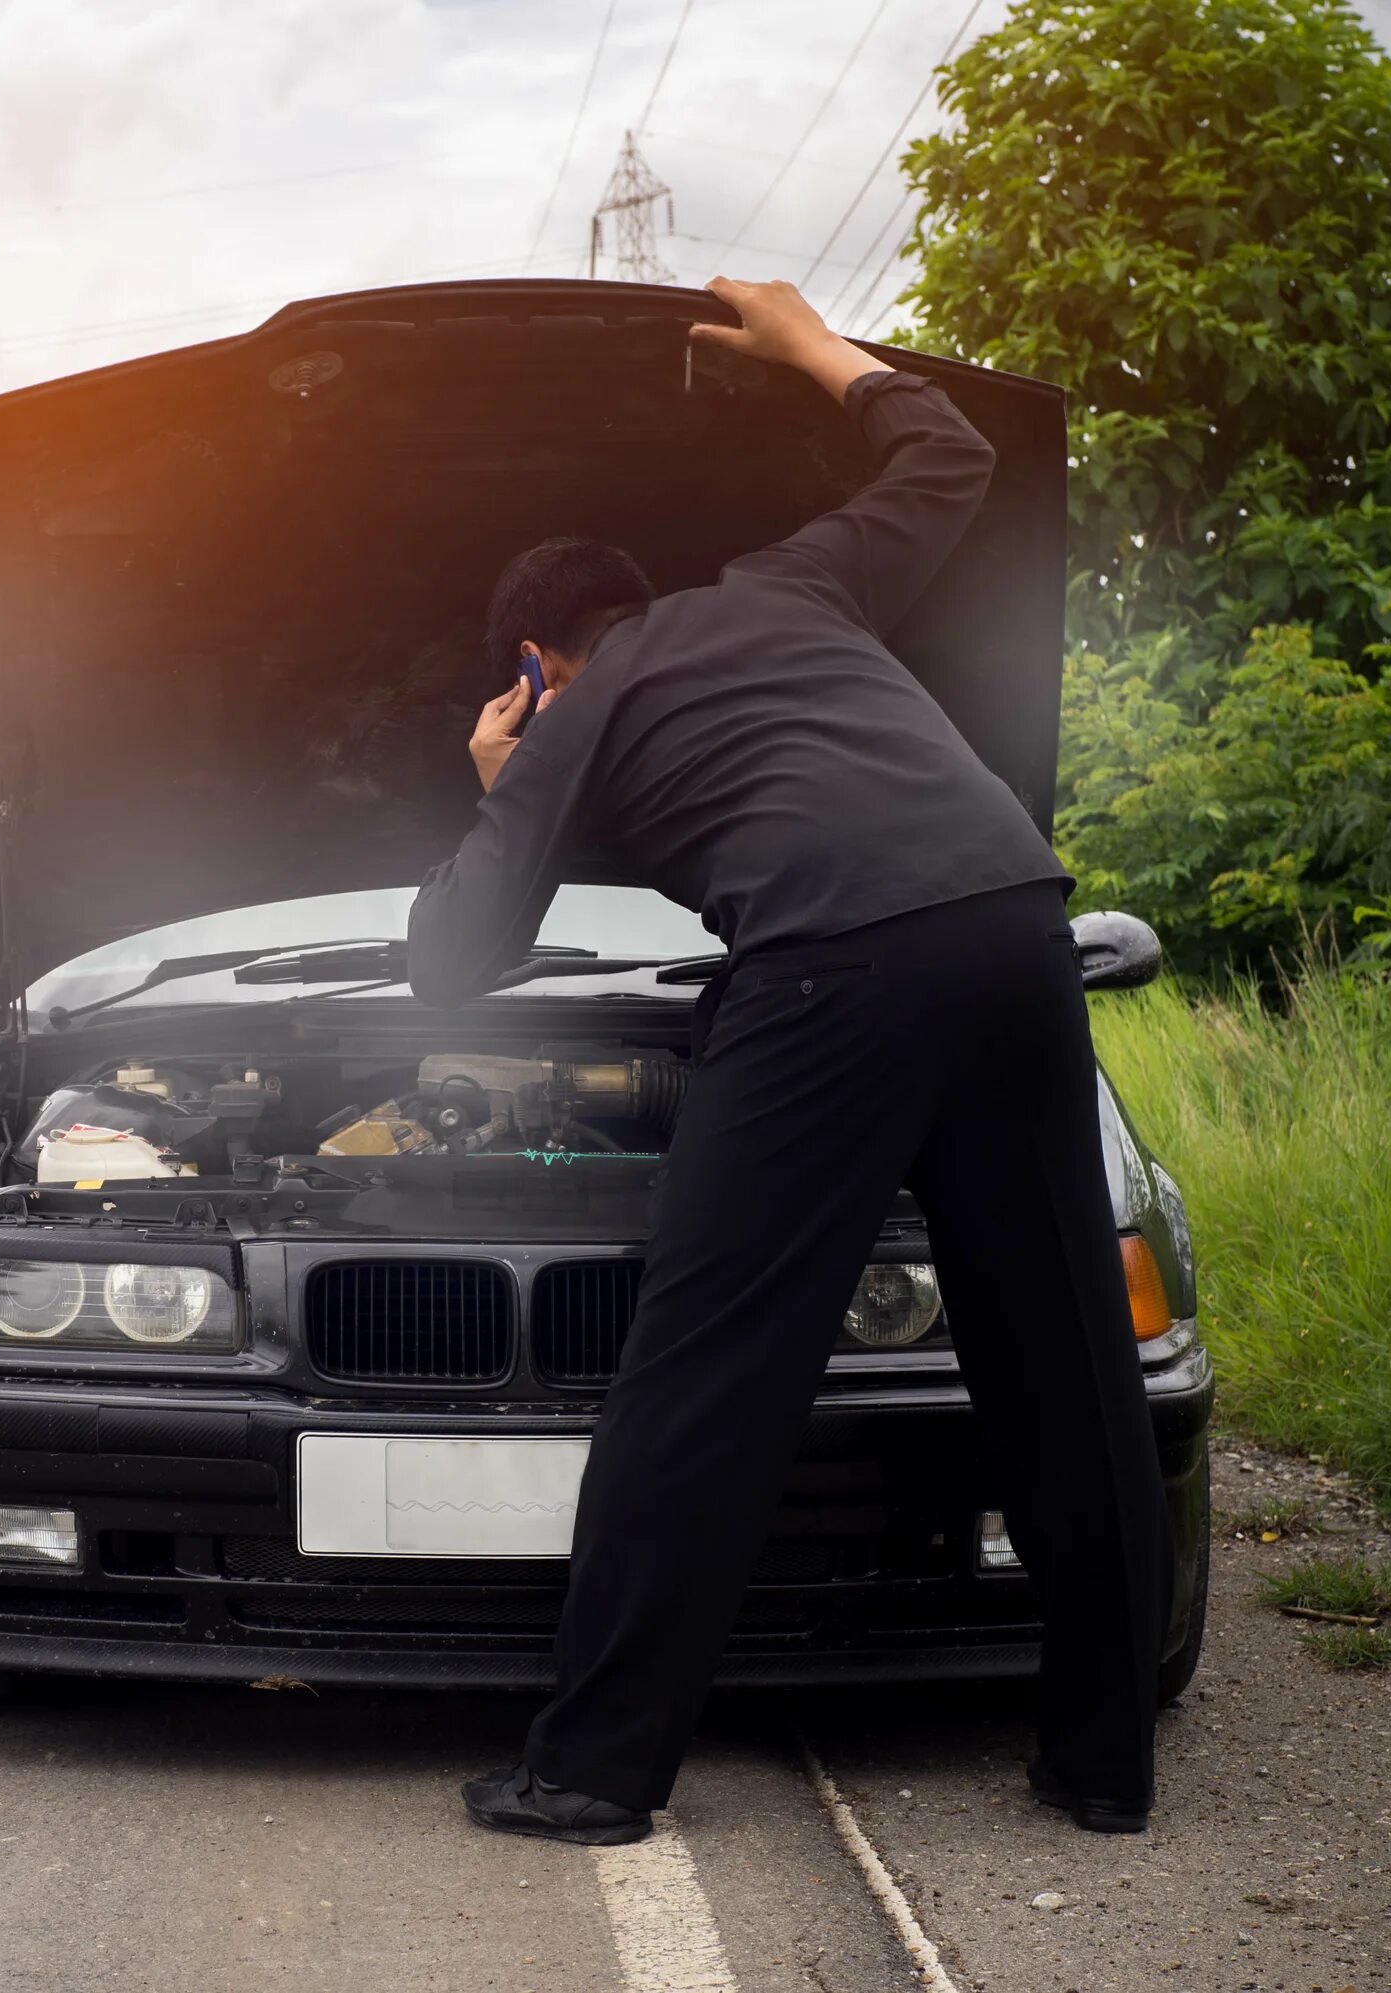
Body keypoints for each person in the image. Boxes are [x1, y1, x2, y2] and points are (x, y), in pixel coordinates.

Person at [408, 276, 1170, 1846]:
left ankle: (591, 1766)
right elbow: (948, 462)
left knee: (702, 1373)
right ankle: (1103, 1757)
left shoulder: (572, 707)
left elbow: (452, 958)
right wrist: (817, 347)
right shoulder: (791, 585)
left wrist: (501, 769)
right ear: (646, 594)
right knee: (1062, 1357)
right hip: (1020, 926)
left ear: (539, 654)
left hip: (833, 974)